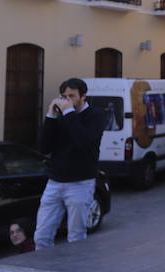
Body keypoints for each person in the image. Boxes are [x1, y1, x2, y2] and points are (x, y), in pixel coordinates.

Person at [34, 77, 105, 249]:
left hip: (80, 183)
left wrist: (69, 114)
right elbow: (44, 147)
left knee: (76, 237)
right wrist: (50, 116)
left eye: (72, 96)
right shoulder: (60, 117)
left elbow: (83, 142)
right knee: (41, 236)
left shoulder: (95, 116)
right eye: (64, 96)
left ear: (83, 97)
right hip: (55, 183)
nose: (67, 100)